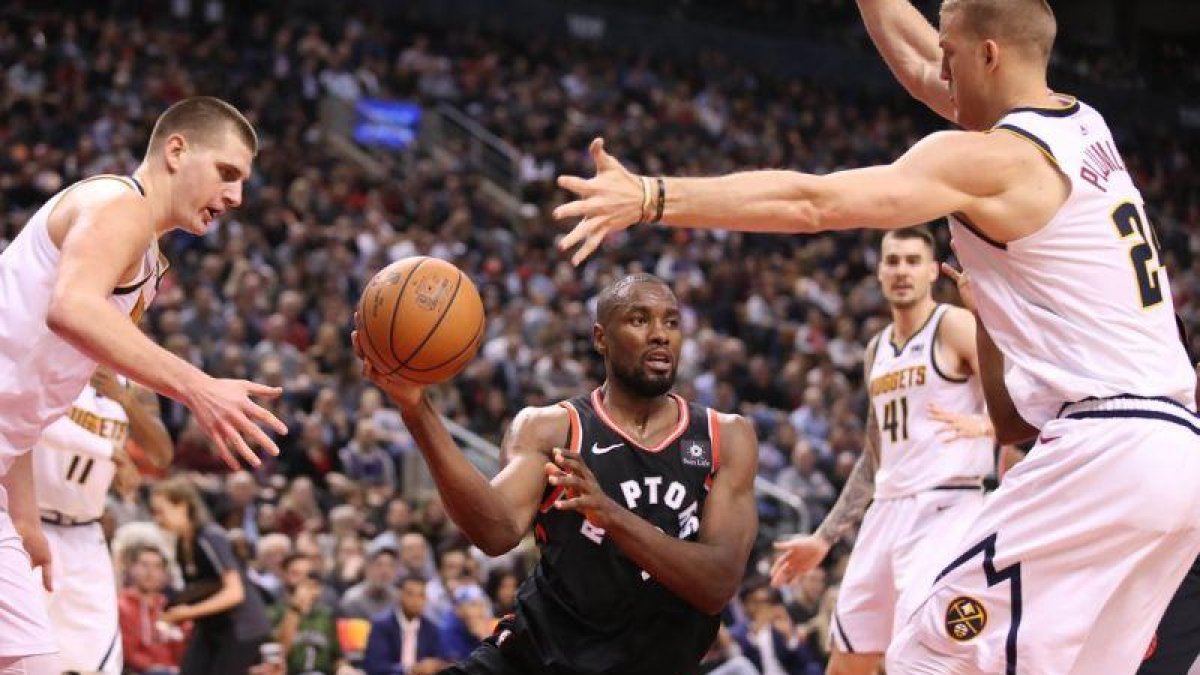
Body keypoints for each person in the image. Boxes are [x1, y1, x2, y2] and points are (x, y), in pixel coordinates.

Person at [553, 1, 1200, 671]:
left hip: (1104, 450)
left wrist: (653, 196)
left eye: (951, 53)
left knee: (932, 650)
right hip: (1175, 457)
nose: (937, 70)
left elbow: (814, 203)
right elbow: (925, 76)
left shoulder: (997, 162)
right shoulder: (1080, 126)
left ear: (988, 56)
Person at [0, 96, 286, 671]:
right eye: (226, 173)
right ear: (176, 151)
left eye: (243, 182)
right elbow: (73, 308)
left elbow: (19, 405)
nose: (236, 197)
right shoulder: (119, 205)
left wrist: (24, 516)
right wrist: (198, 386)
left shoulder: (146, 264)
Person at [352, 273, 760, 675]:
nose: (660, 334)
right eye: (639, 320)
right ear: (601, 338)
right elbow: (495, 533)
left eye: (671, 322)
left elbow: (717, 585)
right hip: (534, 660)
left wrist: (610, 515)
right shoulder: (552, 428)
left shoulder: (725, 437)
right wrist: (417, 411)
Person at [769, 227, 994, 674]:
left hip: (947, 504)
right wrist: (824, 536)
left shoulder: (953, 324)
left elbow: (1019, 395)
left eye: (913, 261)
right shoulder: (877, 349)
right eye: (893, 261)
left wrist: (988, 422)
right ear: (879, 272)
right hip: (887, 510)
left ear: (933, 271)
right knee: (849, 656)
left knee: (926, 654)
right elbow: (874, 457)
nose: (902, 270)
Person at [32, 366, 173, 674]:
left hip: (86, 533)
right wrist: (112, 453)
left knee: (98, 659)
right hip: (32, 524)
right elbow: (31, 422)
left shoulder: (132, 384)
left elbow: (161, 455)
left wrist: (124, 398)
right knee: (27, 650)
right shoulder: (50, 360)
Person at [150, 476, 272, 674]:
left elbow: (235, 593)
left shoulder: (209, 537)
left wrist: (187, 613)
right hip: (211, 625)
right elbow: (202, 587)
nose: (157, 519)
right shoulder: (182, 545)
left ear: (182, 506)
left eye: (160, 511)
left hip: (241, 626)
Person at [118, 544, 190, 675]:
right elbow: (129, 654)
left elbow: (184, 651)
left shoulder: (170, 607)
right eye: (144, 565)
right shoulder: (122, 606)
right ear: (131, 568)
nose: (150, 572)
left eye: (157, 567)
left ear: (164, 574)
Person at [363, 575, 447, 675]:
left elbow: (438, 662)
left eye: (421, 595)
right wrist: (411, 670)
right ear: (400, 595)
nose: (416, 600)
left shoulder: (432, 629)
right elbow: (376, 667)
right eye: (410, 594)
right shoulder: (381, 625)